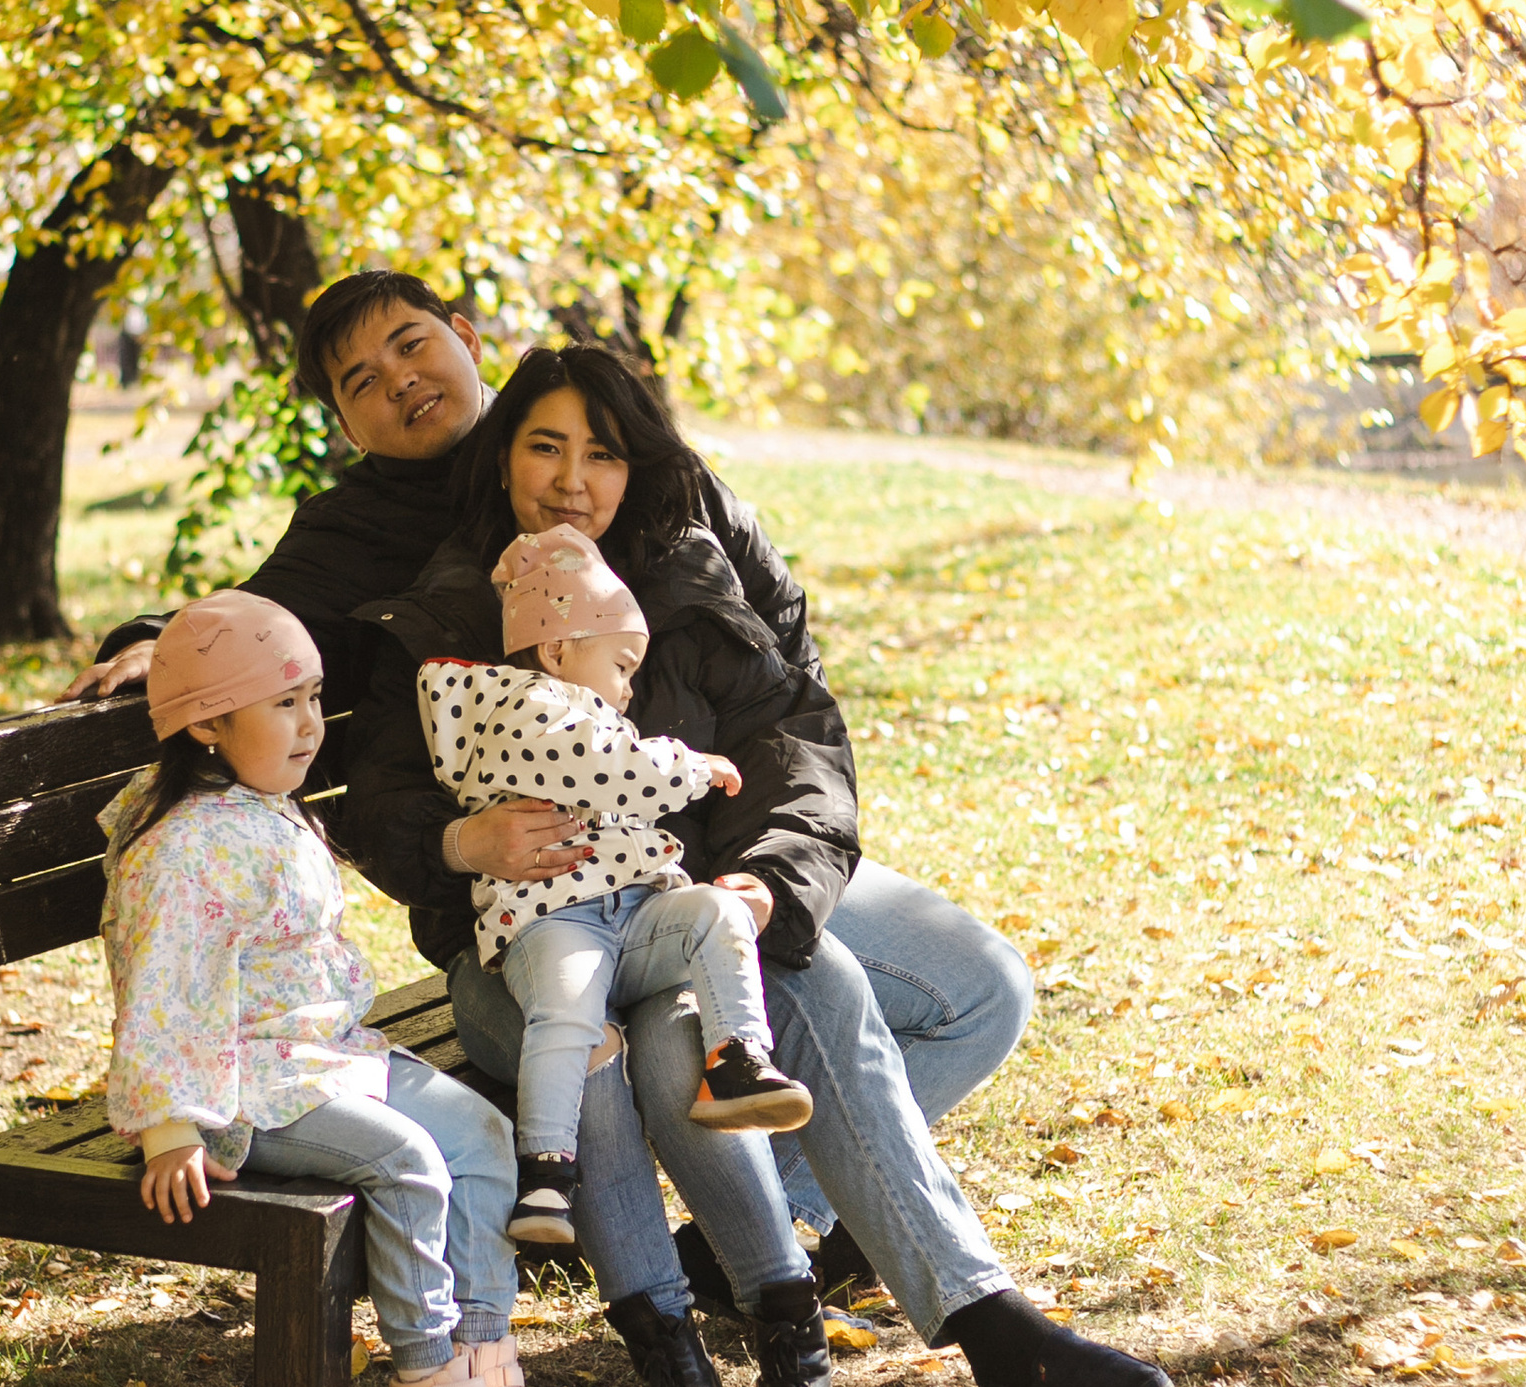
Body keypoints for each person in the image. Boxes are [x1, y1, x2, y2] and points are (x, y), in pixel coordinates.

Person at [69, 268, 1037, 1318]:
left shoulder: (630, 458)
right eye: (360, 382)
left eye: (409, 345)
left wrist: (764, 860)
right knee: (730, 1012)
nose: (399, 382)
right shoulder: (365, 541)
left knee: (979, 989)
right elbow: (258, 627)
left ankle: (756, 1238)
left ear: (463, 333)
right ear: (345, 422)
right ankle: (857, 1286)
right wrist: (156, 638)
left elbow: (783, 679)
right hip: (535, 907)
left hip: (714, 855)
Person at [347, 346, 1172, 1387]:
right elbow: (376, 793)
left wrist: (768, 884)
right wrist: (456, 841)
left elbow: (792, 740)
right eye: (545, 447)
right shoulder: (451, 607)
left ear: (638, 464)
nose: (573, 479)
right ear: (502, 456)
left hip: (692, 899)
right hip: (525, 948)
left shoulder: (688, 564)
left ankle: (900, 1309)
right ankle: (713, 1372)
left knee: (879, 979)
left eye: (602, 453)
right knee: (653, 1047)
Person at [100, 591, 576, 1387]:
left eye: (315, 698)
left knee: (481, 1135)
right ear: (206, 725)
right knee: (406, 1160)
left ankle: (481, 1371)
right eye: (285, 704)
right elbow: (163, 991)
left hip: (320, 1056)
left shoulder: (263, 805)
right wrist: (169, 1126)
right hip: (240, 1084)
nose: (312, 724)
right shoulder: (187, 848)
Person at [422, 520, 813, 1247]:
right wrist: (692, 767)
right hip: (552, 918)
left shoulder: (586, 714)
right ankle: (546, 1169)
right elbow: (609, 769)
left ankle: (737, 1061)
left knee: (715, 912)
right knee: (568, 1012)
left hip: (632, 916)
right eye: (623, 665)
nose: (630, 690)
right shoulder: (520, 709)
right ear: (558, 648)